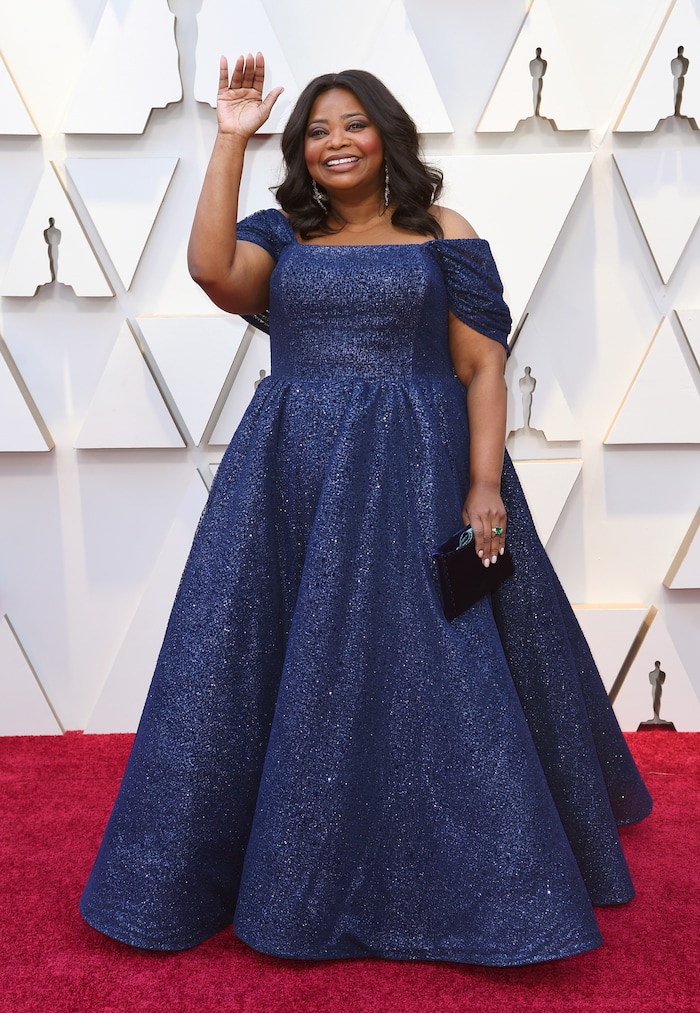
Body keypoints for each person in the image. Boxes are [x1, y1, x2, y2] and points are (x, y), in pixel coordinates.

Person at [80, 52, 651, 966]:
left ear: (387, 137)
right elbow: (212, 272)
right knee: (267, 661)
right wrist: (229, 139)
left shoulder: (442, 231)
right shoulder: (282, 237)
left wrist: (483, 482)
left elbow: (481, 364)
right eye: (317, 131)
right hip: (294, 474)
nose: (336, 141)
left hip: (416, 469)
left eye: (353, 124)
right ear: (301, 152)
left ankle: (473, 880)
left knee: (440, 662)